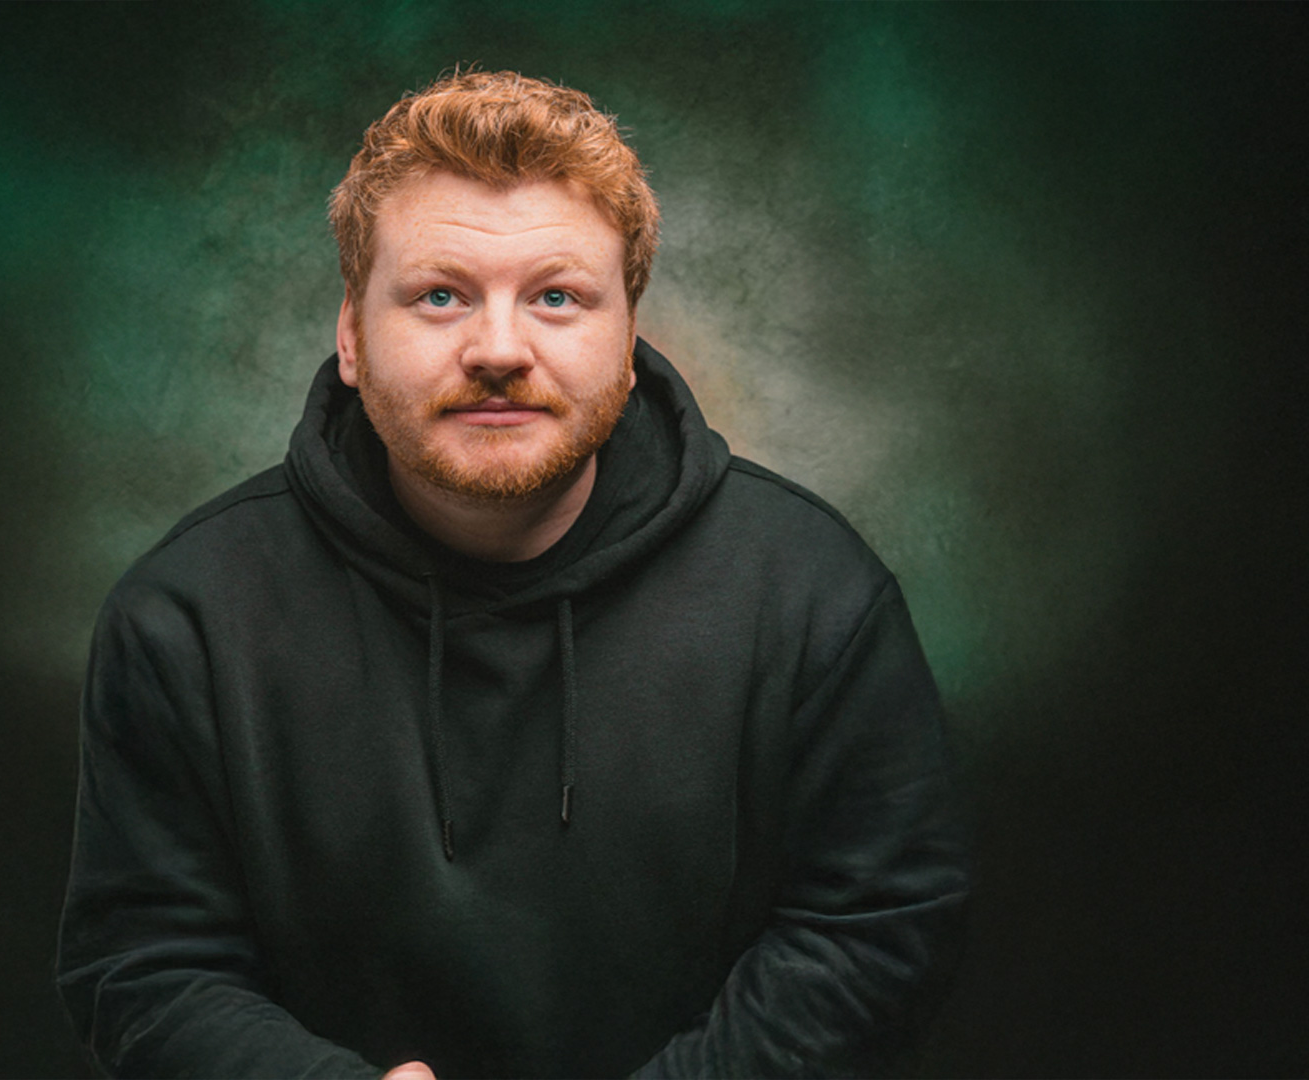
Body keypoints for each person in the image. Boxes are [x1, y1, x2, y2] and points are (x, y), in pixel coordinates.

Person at [55, 70, 970, 1079]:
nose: (499, 348)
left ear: (628, 341)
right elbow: (144, 963)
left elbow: (876, 929)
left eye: (557, 297)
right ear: (353, 336)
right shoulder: (185, 618)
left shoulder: (813, 597)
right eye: (440, 295)